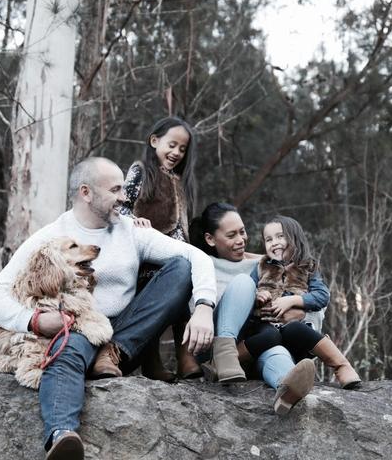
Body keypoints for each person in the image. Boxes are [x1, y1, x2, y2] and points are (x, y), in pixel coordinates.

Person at [0, 157, 217, 460]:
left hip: (127, 337)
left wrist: (204, 307)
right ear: (86, 193)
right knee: (64, 354)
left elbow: (198, 259)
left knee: (180, 269)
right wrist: (35, 321)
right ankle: (62, 435)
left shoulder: (130, 230)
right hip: (78, 328)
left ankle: (112, 352)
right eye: (115, 189)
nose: (124, 197)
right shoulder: (51, 236)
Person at [190, 203, 333, 414]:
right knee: (243, 284)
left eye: (243, 232)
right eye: (231, 235)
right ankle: (222, 359)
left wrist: (297, 309)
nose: (241, 240)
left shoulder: (265, 264)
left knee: (276, 349)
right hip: (224, 343)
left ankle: (285, 389)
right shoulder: (201, 264)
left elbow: (317, 300)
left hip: (260, 346)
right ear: (210, 239)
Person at [239, 215, 361, 413]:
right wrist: (257, 295)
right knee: (269, 334)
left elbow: (322, 296)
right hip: (266, 329)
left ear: (294, 238)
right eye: (268, 239)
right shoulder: (261, 267)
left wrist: (293, 300)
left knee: (297, 328)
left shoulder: (308, 267)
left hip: (292, 336)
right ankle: (234, 359)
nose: (274, 243)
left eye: (280, 236)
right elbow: (246, 293)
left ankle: (341, 366)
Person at [120, 116, 201, 381]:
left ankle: (185, 357)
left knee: (182, 302)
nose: (176, 152)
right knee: (153, 304)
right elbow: (121, 206)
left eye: (182, 149)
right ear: (155, 141)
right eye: (172, 145)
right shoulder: (141, 170)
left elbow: (182, 222)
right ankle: (151, 361)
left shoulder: (180, 180)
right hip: (149, 252)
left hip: (178, 250)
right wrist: (133, 220)